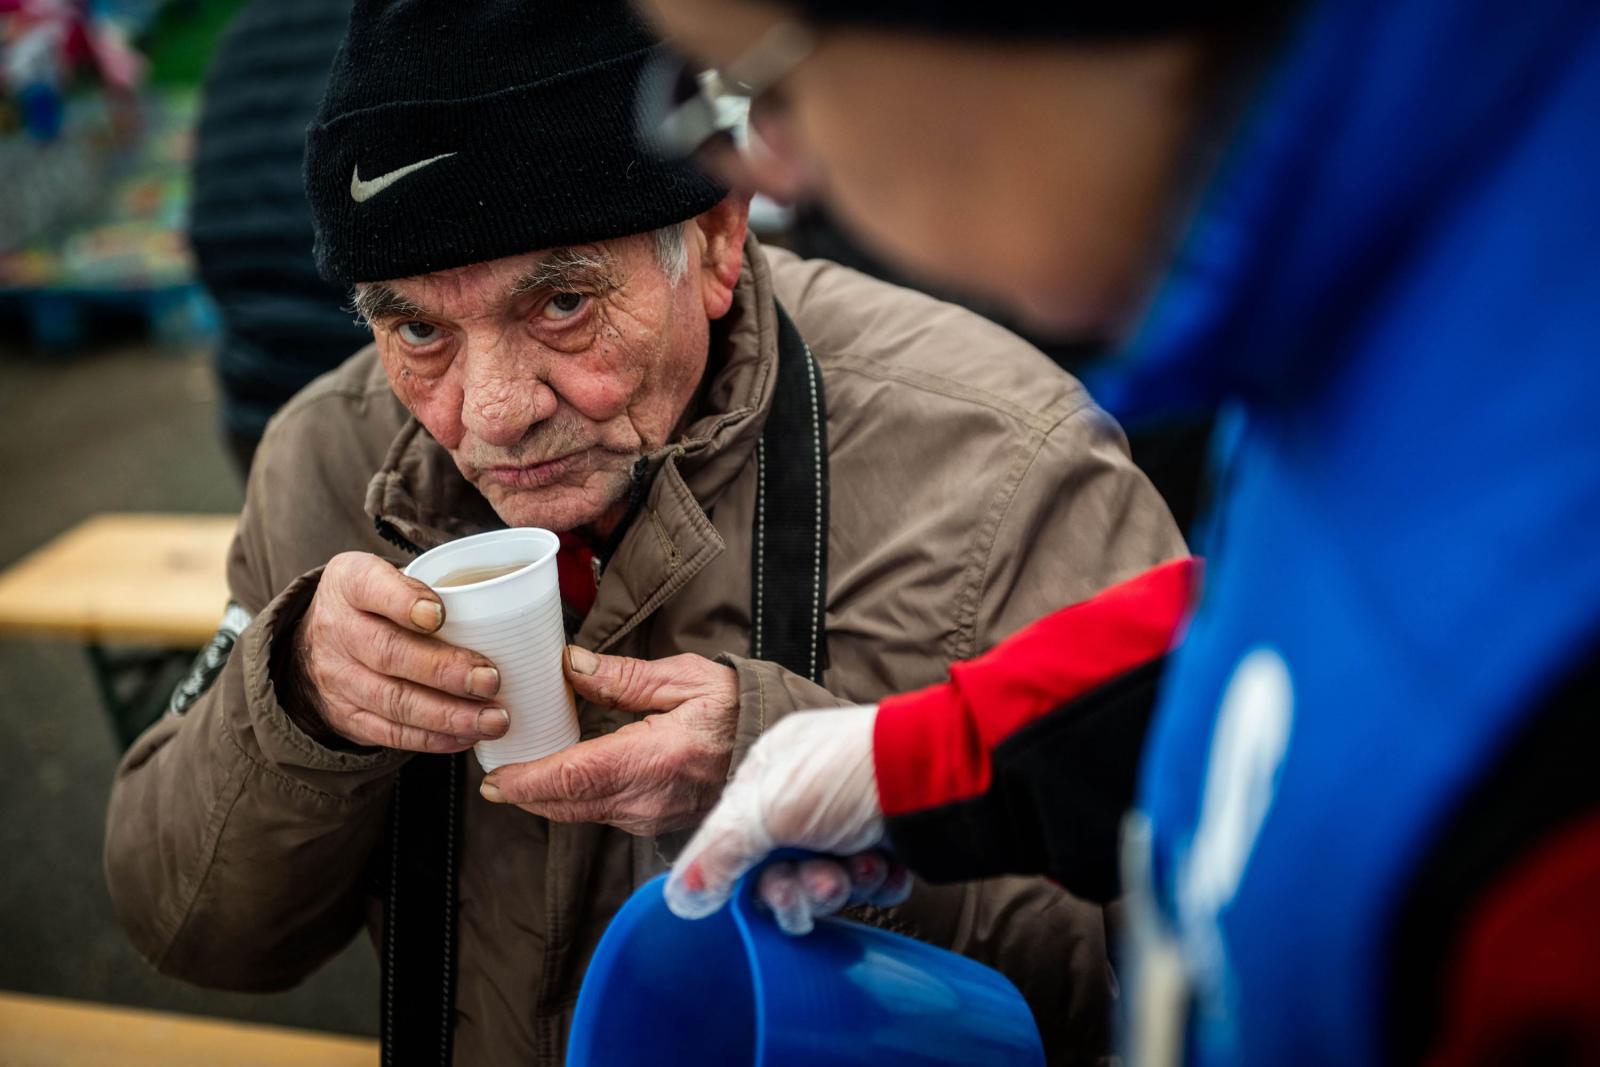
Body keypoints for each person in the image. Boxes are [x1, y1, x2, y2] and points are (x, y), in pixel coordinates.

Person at [103, 2, 1186, 1065]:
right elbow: (189, 928)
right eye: (420, 328)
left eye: (561, 304)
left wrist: (810, 779)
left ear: (715, 239)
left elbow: (1158, 972)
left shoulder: (1005, 463)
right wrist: (296, 702)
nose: (492, 412)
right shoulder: (331, 453)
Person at [641, 1, 1600, 1064]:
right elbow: (1278, 613)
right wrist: (917, 759)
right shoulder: (1393, 282)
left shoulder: (1547, 779)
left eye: (765, 91)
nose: (774, 173)